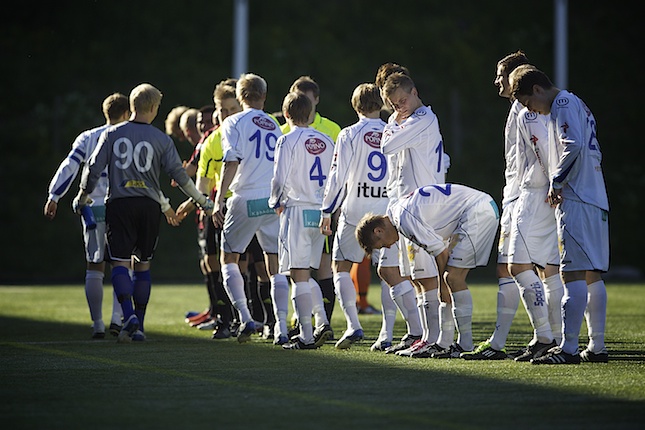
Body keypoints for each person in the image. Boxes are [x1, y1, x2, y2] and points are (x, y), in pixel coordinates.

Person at [74, 83, 214, 343]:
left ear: (132, 107)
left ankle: (129, 316)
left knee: (119, 262)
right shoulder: (161, 139)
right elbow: (180, 176)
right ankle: (138, 326)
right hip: (149, 207)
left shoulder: (112, 134)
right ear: (153, 108)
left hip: (119, 204)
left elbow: (93, 168)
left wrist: (83, 195)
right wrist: (201, 200)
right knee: (144, 264)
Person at [462, 51, 564, 361]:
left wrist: (548, 185)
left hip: (528, 196)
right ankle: (547, 337)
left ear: (515, 77)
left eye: (500, 75)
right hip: (527, 194)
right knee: (545, 269)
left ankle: (541, 336)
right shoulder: (523, 109)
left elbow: (544, 152)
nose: (496, 81)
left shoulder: (527, 111)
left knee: (514, 267)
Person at [510, 65, 610, 364]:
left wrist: (557, 181)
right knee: (591, 273)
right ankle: (596, 347)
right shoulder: (575, 101)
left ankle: (567, 349)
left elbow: (574, 144)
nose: (532, 110)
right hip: (594, 194)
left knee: (571, 273)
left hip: (577, 197)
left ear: (538, 90)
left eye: (529, 103)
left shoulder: (562, 104)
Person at [356, 183, 500, 358]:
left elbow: (440, 252)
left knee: (452, 278)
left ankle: (463, 344)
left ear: (378, 230)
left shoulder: (403, 219)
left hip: (477, 212)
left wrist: (442, 286)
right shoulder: (397, 211)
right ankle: (446, 343)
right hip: (475, 209)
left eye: (381, 244)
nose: (389, 245)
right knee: (450, 279)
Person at [378, 71, 453, 359]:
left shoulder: (422, 119)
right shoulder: (404, 120)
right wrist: (395, 122)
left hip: (424, 206)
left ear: (414, 92)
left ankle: (438, 338)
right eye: (395, 104)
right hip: (407, 206)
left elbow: (387, 145)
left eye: (403, 100)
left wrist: (393, 123)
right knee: (416, 277)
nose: (401, 107)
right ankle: (426, 337)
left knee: (429, 275)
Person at [212, 73, 290, 344]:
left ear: (240, 97)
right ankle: (280, 326)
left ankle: (245, 318)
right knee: (275, 264)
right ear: (264, 97)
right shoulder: (274, 123)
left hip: (245, 198)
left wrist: (219, 199)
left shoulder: (232, 121)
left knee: (229, 258)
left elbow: (231, 160)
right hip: (272, 199)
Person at [44, 93, 130, 339]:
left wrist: (54, 196)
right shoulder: (130, 138)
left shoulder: (88, 137)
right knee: (122, 264)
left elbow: (69, 166)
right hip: (122, 207)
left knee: (95, 266)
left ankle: (97, 325)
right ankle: (117, 318)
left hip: (93, 208)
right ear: (126, 114)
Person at [320, 83, 388, 349]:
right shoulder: (393, 130)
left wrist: (327, 209)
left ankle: (353, 325)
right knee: (389, 272)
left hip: (355, 209)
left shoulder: (349, 134)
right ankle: (388, 332)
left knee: (340, 266)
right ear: (381, 104)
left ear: (355, 105)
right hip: (386, 210)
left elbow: (337, 175)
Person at [271, 91, 335, 349]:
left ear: (286, 115)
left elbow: (280, 176)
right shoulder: (327, 140)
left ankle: (306, 336)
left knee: (298, 274)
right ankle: (321, 321)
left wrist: (275, 201)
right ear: (310, 114)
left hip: (296, 210)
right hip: (320, 212)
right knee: (309, 273)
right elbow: (335, 176)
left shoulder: (286, 140)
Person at [282, 75, 341, 323]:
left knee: (320, 266)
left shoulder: (331, 129)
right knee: (299, 269)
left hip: (305, 207)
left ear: (316, 100)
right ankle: (306, 318)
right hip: (315, 208)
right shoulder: (283, 130)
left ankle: (319, 320)